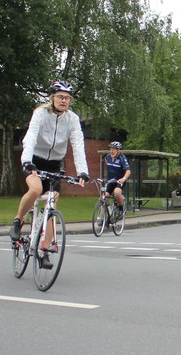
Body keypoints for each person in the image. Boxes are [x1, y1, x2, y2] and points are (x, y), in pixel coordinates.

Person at [9, 80, 89, 241]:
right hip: (34, 162)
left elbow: (78, 145)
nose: (64, 100)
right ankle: (18, 220)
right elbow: (31, 137)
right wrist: (27, 161)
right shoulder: (41, 114)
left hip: (54, 164)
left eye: (67, 98)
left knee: (51, 204)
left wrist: (82, 171)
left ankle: (45, 249)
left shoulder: (72, 119)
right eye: (60, 97)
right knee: (35, 189)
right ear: (52, 98)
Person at [104, 141, 131, 213]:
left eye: (113, 149)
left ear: (118, 150)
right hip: (111, 181)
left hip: (119, 181)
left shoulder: (122, 158)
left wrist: (123, 179)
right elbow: (108, 164)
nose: (111, 151)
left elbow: (128, 171)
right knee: (104, 197)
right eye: (110, 149)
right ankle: (102, 216)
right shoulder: (108, 157)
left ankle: (121, 208)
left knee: (117, 192)